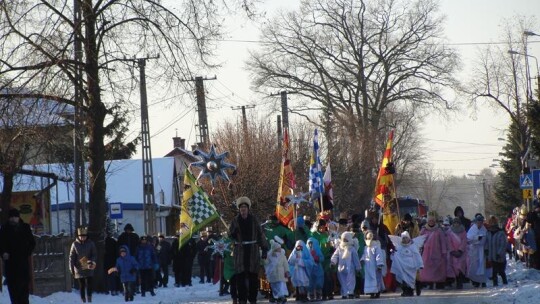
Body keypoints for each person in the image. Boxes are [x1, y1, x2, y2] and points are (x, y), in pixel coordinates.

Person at [228, 196, 269, 304]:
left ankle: (252, 299)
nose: (243, 210)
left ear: (248, 209)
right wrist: (233, 232)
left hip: (253, 251)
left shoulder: (254, 219)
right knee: (240, 278)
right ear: (239, 210)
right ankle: (242, 299)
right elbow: (229, 235)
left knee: (253, 278)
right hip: (240, 252)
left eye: (245, 208)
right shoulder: (235, 221)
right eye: (241, 208)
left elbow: (260, 235)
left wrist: (264, 248)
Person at [0, 208, 36, 304]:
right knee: (14, 294)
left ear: (18, 217)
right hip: (11, 265)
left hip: (23, 265)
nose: (13, 219)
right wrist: (3, 253)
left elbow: (32, 243)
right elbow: (1, 244)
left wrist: (26, 252)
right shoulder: (4, 229)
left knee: (24, 294)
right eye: (11, 217)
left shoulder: (25, 228)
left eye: (15, 217)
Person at [419, 211, 447, 290]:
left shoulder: (439, 230)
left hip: (437, 253)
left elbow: (443, 242)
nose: (431, 222)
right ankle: (429, 282)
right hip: (427, 254)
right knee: (427, 269)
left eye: (432, 220)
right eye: (430, 220)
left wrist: (444, 252)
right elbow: (420, 241)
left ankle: (438, 283)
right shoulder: (424, 230)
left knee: (437, 269)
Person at [390, 231, 424, 297]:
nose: (405, 240)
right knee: (403, 279)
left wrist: (420, 264)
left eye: (406, 238)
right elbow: (396, 255)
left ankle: (410, 291)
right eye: (403, 238)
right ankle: (405, 290)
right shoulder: (399, 247)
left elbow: (417, 256)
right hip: (403, 268)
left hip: (411, 267)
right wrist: (393, 254)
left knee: (411, 280)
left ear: (409, 238)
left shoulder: (413, 247)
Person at [69, 227, 97, 303]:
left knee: (89, 283)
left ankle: (89, 298)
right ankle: (83, 300)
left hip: (89, 265)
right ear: (78, 236)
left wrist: (92, 262)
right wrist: (71, 268)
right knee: (82, 285)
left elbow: (94, 254)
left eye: (84, 236)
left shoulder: (91, 243)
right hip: (79, 267)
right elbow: (71, 257)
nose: (82, 238)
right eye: (81, 236)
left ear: (86, 236)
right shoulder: (74, 244)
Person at [331, 231, 361, 299]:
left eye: (346, 239)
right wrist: (333, 262)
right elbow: (335, 256)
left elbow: (356, 259)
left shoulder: (352, 249)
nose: (344, 240)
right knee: (343, 281)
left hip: (350, 268)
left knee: (350, 280)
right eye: (343, 239)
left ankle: (349, 292)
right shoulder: (339, 248)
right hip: (341, 268)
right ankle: (345, 293)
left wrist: (358, 268)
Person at [264, 239, 290, 304]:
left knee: (281, 285)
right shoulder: (270, 256)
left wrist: (287, 271)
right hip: (273, 275)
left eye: (280, 248)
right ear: (275, 249)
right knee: (274, 286)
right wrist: (263, 259)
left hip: (281, 274)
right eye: (278, 248)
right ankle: (277, 297)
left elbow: (285, 264)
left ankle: (282, 296)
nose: (280, 249)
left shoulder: (282, 256)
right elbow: (266, 263)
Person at [360, 231, 385, 298]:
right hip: (368, 266)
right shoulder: (366, 247)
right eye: (368, 238)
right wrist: (362, 259)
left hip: (375, 266)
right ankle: (371, 291)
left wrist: (379, 264)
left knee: (377, 278)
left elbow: (379, 255)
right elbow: (365, 255)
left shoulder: (376, 247)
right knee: (369, 279)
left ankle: (377, 291)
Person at [485, 215, 508, 286]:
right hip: (492, 255)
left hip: (499, 255)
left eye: (493, 222)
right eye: (491, 223)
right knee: (494, 270)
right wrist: (486, 250)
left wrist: (499, 253)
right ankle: (495, 283)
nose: (492, 224)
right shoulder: (488, 232)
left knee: (501, 271)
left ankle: (505, 282)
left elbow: (503, 244)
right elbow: (486, 242)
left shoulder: (500, 232)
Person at [467, 214, 488, 287]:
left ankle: (482, 281)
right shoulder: (472, 229)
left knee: (482, 265)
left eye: (481, 222)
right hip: (474, 250)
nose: (479, 223)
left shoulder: (484, 229)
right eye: (478, 222)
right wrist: (476, 238)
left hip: (481, 250)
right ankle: (475, 280)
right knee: (474, 265)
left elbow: (485, 238)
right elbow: (468, 239)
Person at [448, 217, 468, 289]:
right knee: (454, 268)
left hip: (461, 253)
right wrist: (452, 251)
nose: (456, 224)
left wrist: (460, 250)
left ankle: (460, 282)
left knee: (460, 268)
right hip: (453, 253)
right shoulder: (450, 232)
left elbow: (464, 241)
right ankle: (456, 280)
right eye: (455, 223)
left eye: (457, 223)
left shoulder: (463, 232)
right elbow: (449, 242)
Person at [104, 231, 120, 296]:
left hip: (109, 261)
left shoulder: (110, 241)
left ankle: (110, 289)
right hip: (109, 261)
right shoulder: (112, 241)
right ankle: (110, 289)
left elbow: (116, 251)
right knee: (109, 276)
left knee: (110, 276)